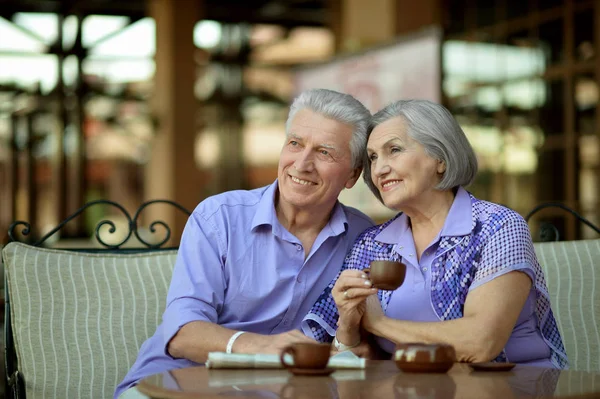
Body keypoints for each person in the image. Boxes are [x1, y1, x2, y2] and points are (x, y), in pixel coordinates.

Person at [115, 88, 374, 398]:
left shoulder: (364, 239)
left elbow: (359, 338)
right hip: (173, 384)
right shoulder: (218, 218)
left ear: (353, 175)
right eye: (295, 144)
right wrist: (263, 347)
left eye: (324, 152)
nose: (302, 163)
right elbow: (182, 332)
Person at [302, 99, 568, 368]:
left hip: (514, 388)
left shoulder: (497, 227)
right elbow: (350, 358)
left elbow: (480, 343)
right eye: (373, 157)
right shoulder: (371, 245)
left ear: (440, 158)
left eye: (394, 150)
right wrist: (347, 326)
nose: (380, 168)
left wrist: (380, 324)